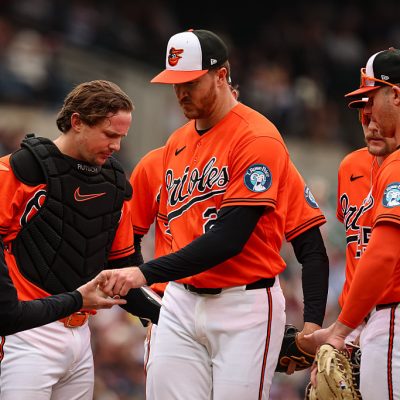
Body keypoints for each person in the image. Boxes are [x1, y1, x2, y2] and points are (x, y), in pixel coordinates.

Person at [100, 29, 329, 399]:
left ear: (221, 75)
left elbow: (229, 238)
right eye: (174, 83)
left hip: (244, 303)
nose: (180, 93)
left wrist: (312, 323)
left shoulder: (257, 138)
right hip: (178, 300)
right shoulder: (176, 142)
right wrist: (149, 307)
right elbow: (131, 238)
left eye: (190, 81)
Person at [0, 79, 158, 400]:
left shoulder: (115, 185)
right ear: (77, 122)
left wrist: (170, 318)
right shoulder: (19, 171)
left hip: (80, 338)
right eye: (109, 134)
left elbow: (124, 270)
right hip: (25, 334)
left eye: (121, 137)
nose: (116, 146)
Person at [307, 47, 400, 400]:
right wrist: (347, 326)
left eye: (370, 101)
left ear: (395, 94)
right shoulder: (354, 167)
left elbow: (381, 257)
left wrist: (339, 331)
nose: (366, 116)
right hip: (372, 318)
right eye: (360, 106)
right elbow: (358, 258)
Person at [0, 238, 126, 336]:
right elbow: (7, 314)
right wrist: (77, 300)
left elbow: (124, 261)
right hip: (29, 330)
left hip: (82, 332)